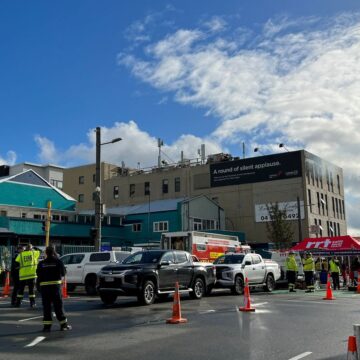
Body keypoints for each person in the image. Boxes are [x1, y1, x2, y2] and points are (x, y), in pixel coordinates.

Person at [36, 246, 71, 332]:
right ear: (54, 252)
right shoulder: (58, 262)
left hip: (44, 288)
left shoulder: (41, 263)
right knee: (58, 306)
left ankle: (47, 327)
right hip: (55, 288)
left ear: (46, 253)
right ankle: (63, 325)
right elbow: (63, 273)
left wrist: (38, 287)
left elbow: (38, 275)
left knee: (46, 307)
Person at [15, 244, 41, 308]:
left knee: (21, 290)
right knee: (31, 290)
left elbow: (16, 263)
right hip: (31, 275)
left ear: (25, 248)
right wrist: (34, 247)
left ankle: (18, 303)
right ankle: (32, 303)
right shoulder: (33, 253)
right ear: (31, 248)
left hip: (23, 275)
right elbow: (40, 250)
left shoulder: (20, 254)